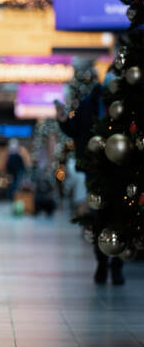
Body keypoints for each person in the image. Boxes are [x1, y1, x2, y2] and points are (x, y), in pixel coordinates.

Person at [57, 80, 124, 285]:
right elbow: (74, 129)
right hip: (94, 168)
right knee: (99, 216)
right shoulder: (88, 103)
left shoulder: (126, 102)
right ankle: (102, 263)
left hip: (122, 168)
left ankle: (118, 265)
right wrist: (62, 119)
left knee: (121, 217)